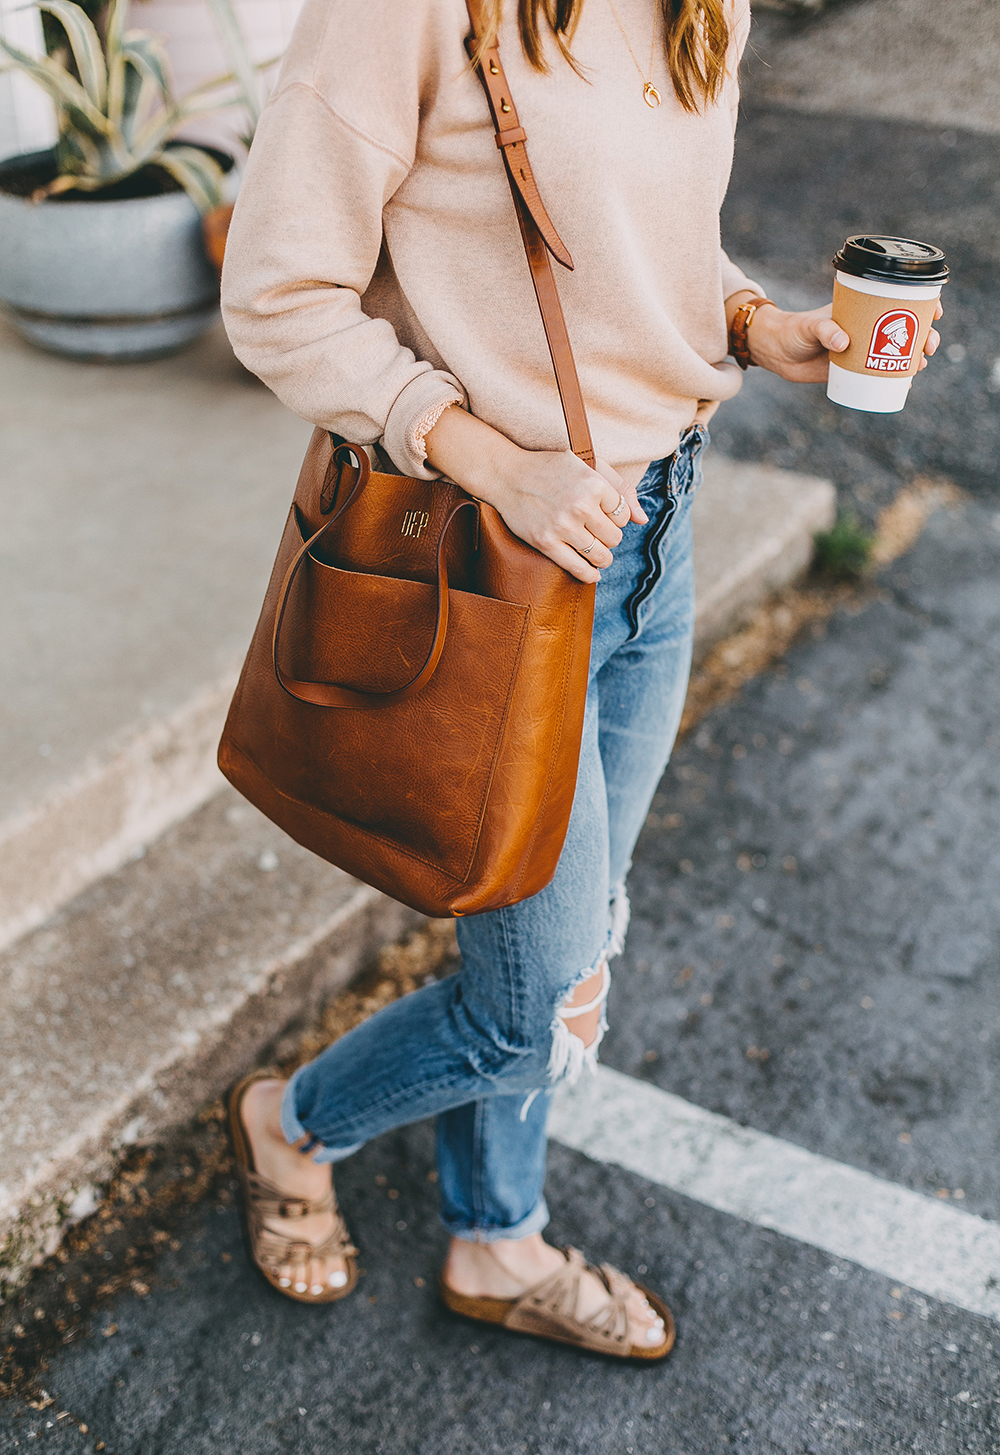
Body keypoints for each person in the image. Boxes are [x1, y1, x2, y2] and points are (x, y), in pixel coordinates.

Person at [220, 0, 940, 1358]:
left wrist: (740, 318)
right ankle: (291, 1124)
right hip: (495, 556)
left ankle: (496, 1239)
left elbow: (617, 238)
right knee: (537, 1005)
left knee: (567, 935)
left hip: (652, 532)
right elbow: (279, 294)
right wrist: (494, 457)